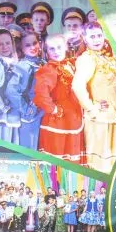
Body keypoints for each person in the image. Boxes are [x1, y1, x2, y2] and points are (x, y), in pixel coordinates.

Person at [72, 23, 116, 172]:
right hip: (99, 118)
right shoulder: (87, 59)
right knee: (100, 165)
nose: (96, 40)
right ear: (85, 39)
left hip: (115, 114)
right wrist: (92, 107)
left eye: (99, 35)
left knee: (115, 162)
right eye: (92, 36)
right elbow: (77, 86)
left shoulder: (107, 58)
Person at [34, 34, 84, 164]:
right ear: (47, 51)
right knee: (58, 158)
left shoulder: (71, 64)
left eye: (59, 47)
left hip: (74, 119)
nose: (56, 51)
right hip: (58, 121)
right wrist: (54, 109)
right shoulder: (49, 69)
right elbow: (41, 94)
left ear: (66, 47)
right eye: (52, 48)